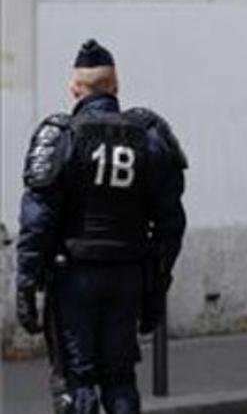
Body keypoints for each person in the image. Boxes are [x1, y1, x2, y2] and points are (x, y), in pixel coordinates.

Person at [16, 39, 188, 413]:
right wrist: (156, 285)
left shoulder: (63, 136)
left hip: (73, 276)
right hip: (128, 274)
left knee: (76, 382)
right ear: (116, 85)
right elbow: (171, 223)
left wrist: (26, 285)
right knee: (120, 380)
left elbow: (37, 222)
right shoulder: (150, 137)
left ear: (74, 89)